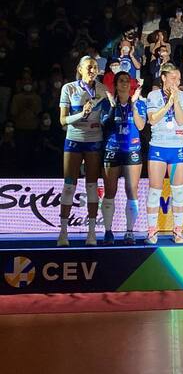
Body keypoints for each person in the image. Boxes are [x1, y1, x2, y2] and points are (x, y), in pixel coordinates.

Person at [57, 56, 109, 246]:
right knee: (69, 186)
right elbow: (63, 120)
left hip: (94, 141)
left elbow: (108, 114)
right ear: (80, 69)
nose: (92, 70)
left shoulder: (102, 89)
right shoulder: (69, 88)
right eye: (88, 67)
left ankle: (92, 233)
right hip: (74, 140)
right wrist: (82, 114)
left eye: (94, 67)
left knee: (92, 186)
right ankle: (63, 233)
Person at [145, 63, 183, 245]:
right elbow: (152, 120)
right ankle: (152, 230)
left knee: (178, 191)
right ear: (163, 78)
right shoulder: (153, 95)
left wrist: (176, 100)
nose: (176, 82)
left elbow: (181, 120)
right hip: (158, 147)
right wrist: (168, 103)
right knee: (155, 191)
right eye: (173, 78)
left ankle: (178, 230)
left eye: (178, 79)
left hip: (177, 147)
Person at [101, 72, 146, 245]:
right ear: (115, 84)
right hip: (112, 149)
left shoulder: (139, 103)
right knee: (110, 191)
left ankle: (130, 232)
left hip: (132, 150)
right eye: (121, 81)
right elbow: (105, 125)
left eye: (127, 81)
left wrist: (133, 106)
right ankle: (108, 231)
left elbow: (141, 126)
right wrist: (113, 107)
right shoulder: (107, 103)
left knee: (131, 190)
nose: (125, 83)